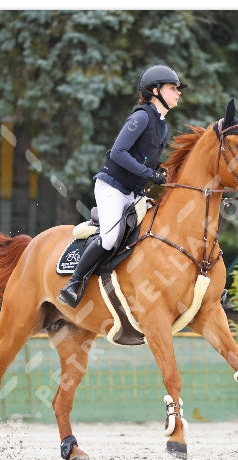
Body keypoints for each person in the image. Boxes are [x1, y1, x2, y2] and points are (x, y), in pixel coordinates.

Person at [58, 64, 187, 308]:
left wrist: (163, 172)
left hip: (133, 192)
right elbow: (118, 152)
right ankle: (73, 284)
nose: (178, 92)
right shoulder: (140, 117)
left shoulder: (162, 124)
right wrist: (150, 173)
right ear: (155, 90)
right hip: (112, 188)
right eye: (173, 88)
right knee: (109, 239)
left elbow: (146, 158)